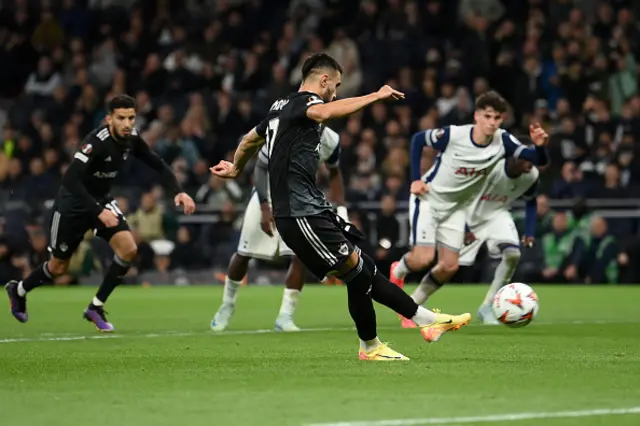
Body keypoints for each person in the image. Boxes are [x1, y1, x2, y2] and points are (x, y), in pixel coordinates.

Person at [211, 53, 470, 361]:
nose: (335, 92)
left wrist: (237, 167)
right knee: (359, 272)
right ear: (323, 80)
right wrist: (376, 95)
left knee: (361, 269)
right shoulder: (304, 104)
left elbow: (250, 140)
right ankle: (403, 331)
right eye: (335, 85)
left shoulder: (279, 108)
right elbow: (324, 113)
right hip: (299, 213)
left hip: (311, 210)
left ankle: (397, 334)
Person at [4, 95, 196, 332]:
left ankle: (95, 306)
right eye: (121, 118)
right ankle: (19, 290)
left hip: (101, 201)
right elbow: (70, 178)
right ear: (109, 119)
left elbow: (157, 163)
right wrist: (97, 211)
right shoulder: (96, 142)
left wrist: (179, 191)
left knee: (129, 248)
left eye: (131, 118)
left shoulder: (132, 139)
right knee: (57, 268)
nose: (127, 124)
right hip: (72, 205)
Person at [389, 92, 548, 325]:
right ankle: (399, 269)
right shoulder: (454, 134)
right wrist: (415, 178)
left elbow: (534, 158)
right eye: (488, 116)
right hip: (429, 199)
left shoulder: (502, 140)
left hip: (456, 209)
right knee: (423, 259)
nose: (492, 122)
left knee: (449, 266)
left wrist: (540, 146)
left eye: (497, 118)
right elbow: (418, 140)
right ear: (477, 116)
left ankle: (411, 308)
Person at [211, 126, 347, 332]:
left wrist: (341, 207)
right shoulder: (286, 128)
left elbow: (335, 171)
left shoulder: (331, 140)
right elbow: (261, 167)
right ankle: (227, 304)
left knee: (299, 256)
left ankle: (285, 316)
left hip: (297, 203)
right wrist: (265, 207)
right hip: (266, 195)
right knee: (243, 254)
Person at [437, 152, 540, 324]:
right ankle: (414, 302)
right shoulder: (489, 168)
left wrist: (529, 231)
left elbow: (531, 201)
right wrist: (464, 227)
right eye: (527, 159)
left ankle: (487, 306)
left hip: (497, 214)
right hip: (469, 215)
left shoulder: (531, 175)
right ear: (515, 158)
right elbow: (460, 195)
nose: (532, 163)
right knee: (448, 267)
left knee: (512, 254)